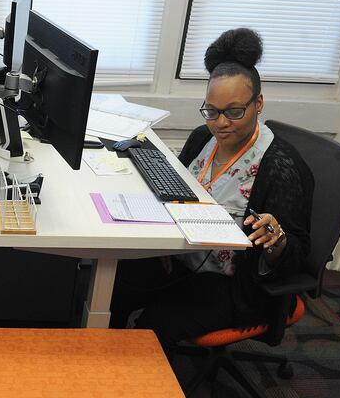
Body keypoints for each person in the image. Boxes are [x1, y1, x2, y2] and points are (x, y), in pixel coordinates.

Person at [109, 28, 313, 347]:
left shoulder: (280, 168)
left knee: (153, 326)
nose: (221, 123)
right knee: (113, 283)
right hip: (180, 255)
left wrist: (278, 241)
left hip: (232, 284)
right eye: (212, 111)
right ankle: (103, 360)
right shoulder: (204, 138)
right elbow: (178, 185)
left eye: (234, 112)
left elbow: (297, 256)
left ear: (258, 103)